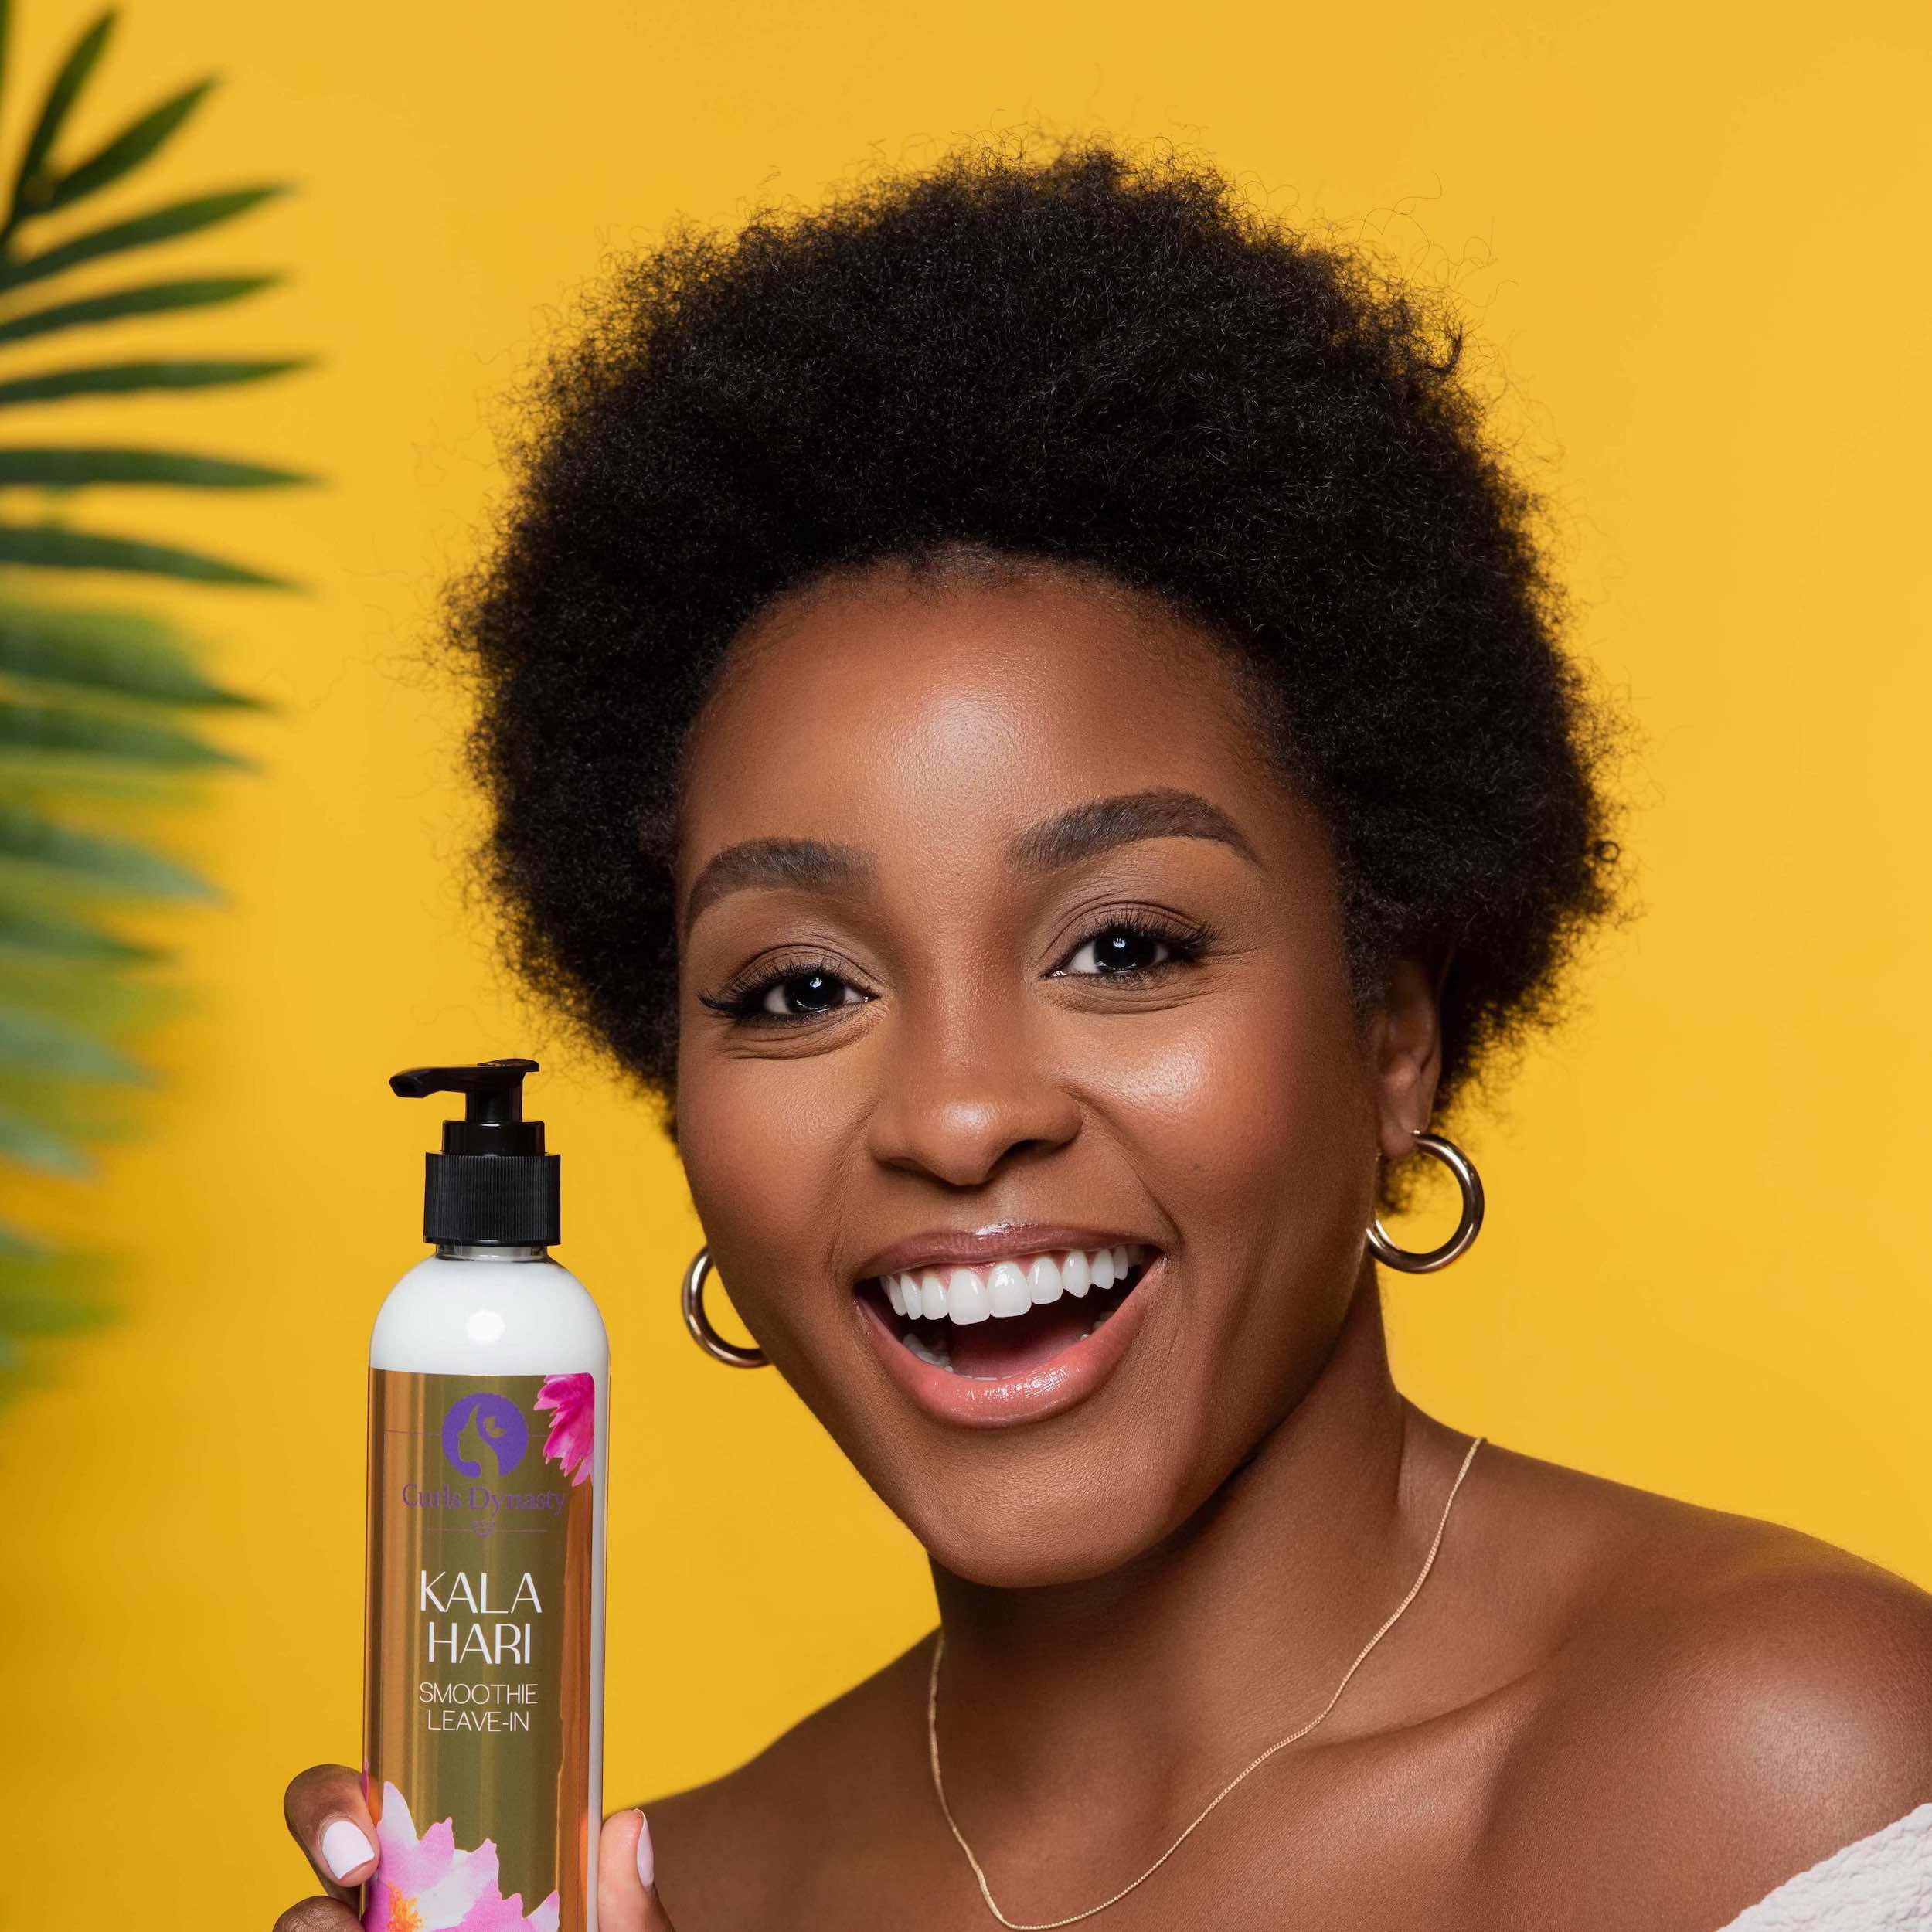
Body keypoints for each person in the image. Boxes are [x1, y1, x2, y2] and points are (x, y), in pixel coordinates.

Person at [272, 137, 1932, 1931]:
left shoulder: (1767, 1766)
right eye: (798, 988)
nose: (958, 1113)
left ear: (1391, 1030)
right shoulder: (662, 1891)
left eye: (1123, 944)